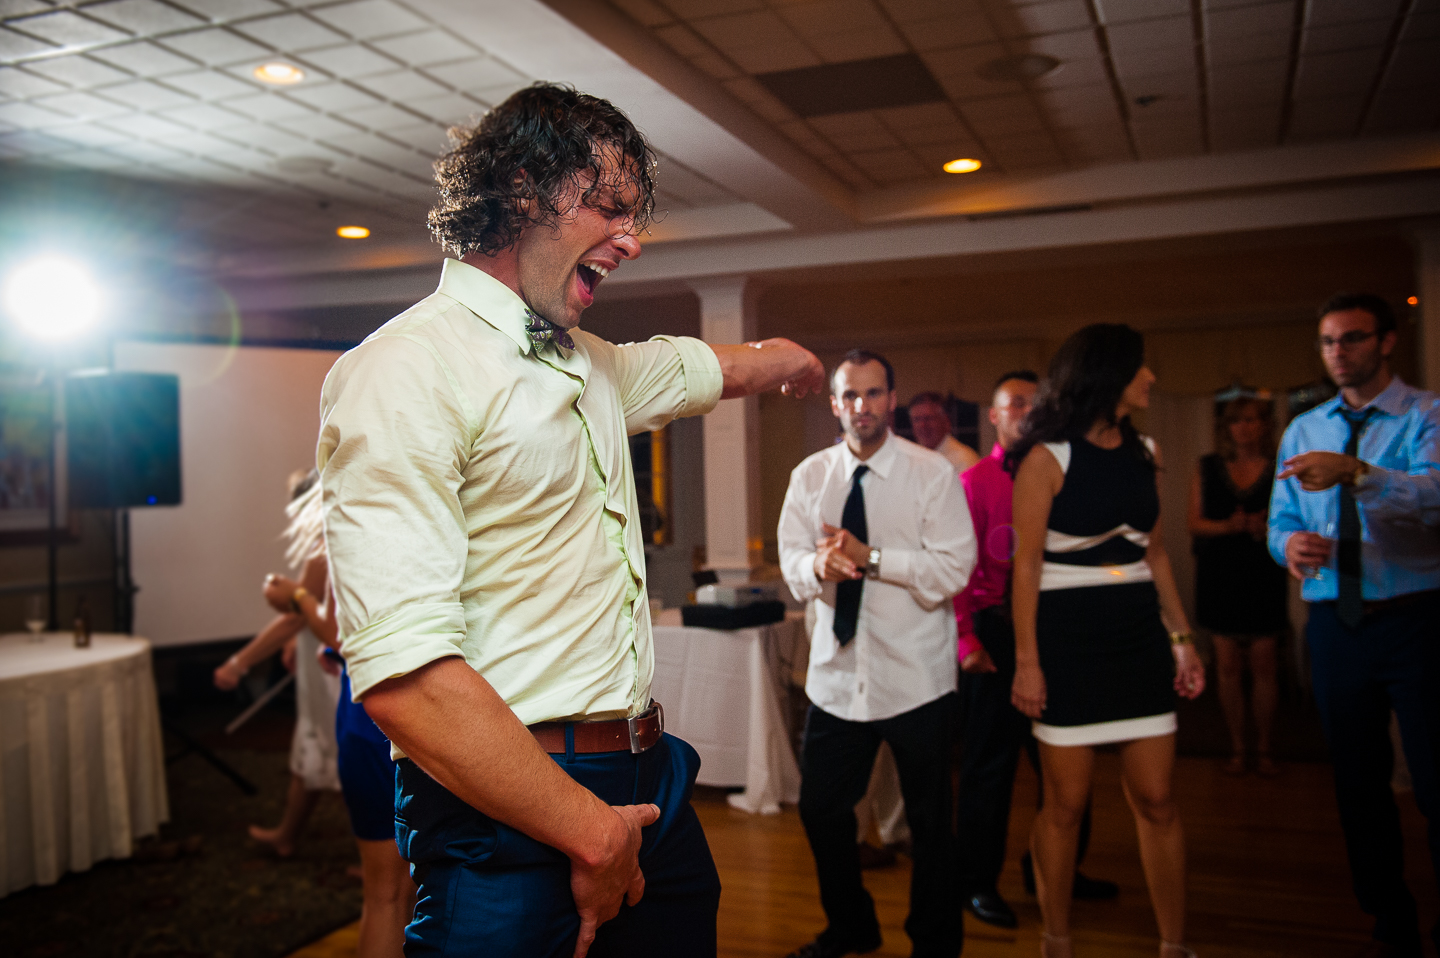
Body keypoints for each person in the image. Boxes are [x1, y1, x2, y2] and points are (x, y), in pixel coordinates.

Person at [317, 83, 826, 958]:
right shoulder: (404, 371)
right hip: (506, 810)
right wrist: (589, 833)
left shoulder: (594, 366)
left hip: (648, 785)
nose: (631, 240)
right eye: (612, 208)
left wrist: (785, 360)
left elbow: (704, 367)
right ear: (523, 188)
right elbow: (404, 679)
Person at [1008, 324, 1206, 958]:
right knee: (1065, 807)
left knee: (1158, 798)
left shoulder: (1146, 450)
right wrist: (1028, 664)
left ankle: (1174, 945)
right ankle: (1056, 938)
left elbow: (1156, 554)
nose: (1150, 379)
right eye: (1140, 369)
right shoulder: (1047, 459)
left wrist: (1181, 637)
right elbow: (1027, 567)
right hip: (1067, 647)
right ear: (1108, 377)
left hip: (1136, 638)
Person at [778, 349, 977, 958]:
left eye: (873, 394)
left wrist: (872, 560)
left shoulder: (931, 475)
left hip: (916, 678)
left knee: (930, 826)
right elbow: (792, 563)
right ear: (834, 403)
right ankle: (851, 926)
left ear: (892, 400)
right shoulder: (811, 476)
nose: (861, 406)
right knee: (820, 811)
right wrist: (820, 563)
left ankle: (935, 942)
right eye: (849, 395)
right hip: (836, 680)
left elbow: (955, 568)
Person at [1268, 292, 1440, 958]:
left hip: (1416, 615)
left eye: (1352, 339)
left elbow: (1434, 499)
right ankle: (1387, 913)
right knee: (1357, 780)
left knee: (1432, 777)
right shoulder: (1304, 428)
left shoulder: (1426, 415)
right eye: (1328, 342)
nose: (1338, 352)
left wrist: (1360, 475)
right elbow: (1281, 520)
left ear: (1386, 342)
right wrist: (1287, 548)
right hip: (1335, 620)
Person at [952, 370, 1119, 929]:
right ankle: (977, 882)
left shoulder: (1063, 474)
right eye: (1013, 404)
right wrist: (966, 639)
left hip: (1058, 634)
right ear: (995, 416)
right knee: (988, 770)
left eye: (1034, 403)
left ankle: (1056, 869)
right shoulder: (974, 481)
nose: (1026, 411)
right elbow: (957, 572)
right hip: (994, 637)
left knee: (1068, 759)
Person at [262, 483, 414, 958]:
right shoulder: (415, 528)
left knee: (387, 896)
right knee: (407, 890)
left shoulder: (350, 533)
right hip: (400, 716)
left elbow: (343, 636)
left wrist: (301, 600)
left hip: (373, 717)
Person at [213, 469, 340, 858]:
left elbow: (297, 613)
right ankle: (287, 834)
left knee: (340, 751)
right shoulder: (329, 538)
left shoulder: (324, 544)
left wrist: (239, 662)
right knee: (312, 746)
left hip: (329, 665)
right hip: (316, 654)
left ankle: (380, 861)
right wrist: (296, 639)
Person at [1188, 396, 1288, 777]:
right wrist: (1230, 526)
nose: (1244, 427)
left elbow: (1296, 521)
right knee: (1226, 664)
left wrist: (1267, 529)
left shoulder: (1280, 467)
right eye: (1236, 421)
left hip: (1262, 571)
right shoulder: (1208, 467)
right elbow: (1194, 523)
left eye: (1252, 420)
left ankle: (1263, 749)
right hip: (1220, 572)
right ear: (1226, 427)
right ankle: (1236, 746)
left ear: (1264, 425)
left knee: (1264, 663)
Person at [909, 391, 981, 472]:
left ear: (946, 422)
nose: (922, 425)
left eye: (928, 418)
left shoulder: (964, 460)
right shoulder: (911, 458)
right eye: (916, 419)